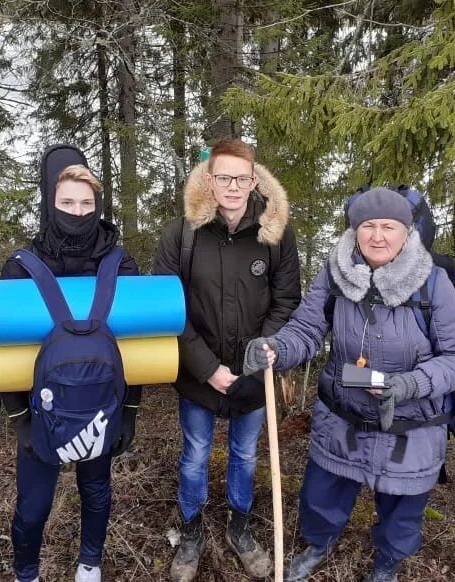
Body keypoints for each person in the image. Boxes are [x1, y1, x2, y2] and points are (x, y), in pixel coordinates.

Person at [245, 186, 455, 582]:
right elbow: (305, 330)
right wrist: (277, 349)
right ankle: (319, 542)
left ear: (407, 232)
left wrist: (411, 384)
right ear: (355, 230)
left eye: (389, 226)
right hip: (343, 418)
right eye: (368, 225)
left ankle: (388, 562)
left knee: (402, 510)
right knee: (322, 495)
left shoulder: (433, 284)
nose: (378, 236)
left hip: (411, 425)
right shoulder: (335, 276)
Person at [153, 138, 301, 582]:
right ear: (209, 179)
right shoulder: (180, 235)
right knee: (195, 455)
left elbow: (286, 299)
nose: (232, 187)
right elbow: (168, 308)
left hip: (254, 373)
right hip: (199, 374)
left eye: (241, 178)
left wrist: (258, 358)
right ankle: (192, 530)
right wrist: (207, 368)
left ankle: (240, 527)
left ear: (253, 180)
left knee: (244, 454)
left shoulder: (275, 232)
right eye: (223, 177)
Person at [0, 145, 142, 582]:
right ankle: (27, 572)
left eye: (86, 204)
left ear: (98, 206)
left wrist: (129, 413)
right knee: (34, 504)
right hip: (41, 408)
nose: (77, 212)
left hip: (100, 404)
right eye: (67, 203)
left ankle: (90, 563)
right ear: (50, 203)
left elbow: (133, 347)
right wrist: (20, 416)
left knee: (96, 491)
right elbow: (7, 346)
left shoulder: (121, 264)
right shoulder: (23, 265)